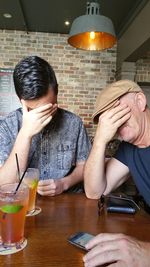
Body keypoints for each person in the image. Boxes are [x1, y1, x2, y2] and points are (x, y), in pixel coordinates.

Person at [0, 55, 91, 196]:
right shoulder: (8, 125)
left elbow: (86, 164)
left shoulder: (74, 123)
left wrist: (65, 183)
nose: (41, 117)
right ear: (21, 100)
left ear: (57, 92)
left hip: (66, 203)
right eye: (33, 110)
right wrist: (25, 134)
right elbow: (5, 184)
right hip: (23, 204)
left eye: (47, 109)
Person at [83, 80, 150, 267]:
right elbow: (95, 191)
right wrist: (100, 140)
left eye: (117, 112)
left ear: (140, 101)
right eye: (108, 119)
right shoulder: (129, 148)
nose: (114, 123)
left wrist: (146, 253)